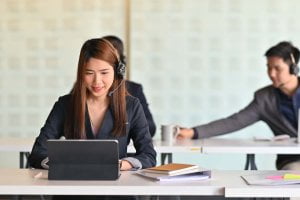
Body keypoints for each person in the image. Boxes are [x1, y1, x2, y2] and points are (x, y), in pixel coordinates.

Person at [29, 37, 156, 172]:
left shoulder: (131, 105)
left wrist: (122, 165)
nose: (97, 81)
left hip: (116, 188)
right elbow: (37, 153)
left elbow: (149, 155)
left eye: (104, 73)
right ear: (80, 73)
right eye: (89, 73)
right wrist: (62, 163)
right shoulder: (65, 105)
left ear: (117, 72)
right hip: (73, 186)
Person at [177, 41, 300, 170]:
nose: (271, 74)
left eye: (277, 68)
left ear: (293, 68)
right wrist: (193, 132)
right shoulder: (264, 98)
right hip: (293, 160)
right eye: (268, 67)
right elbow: (234, 121)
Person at [102, 35, 157, 137]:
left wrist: (129, 120)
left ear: (120, 66)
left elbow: (151, 128)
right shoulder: (84, 87)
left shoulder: (134, 89)